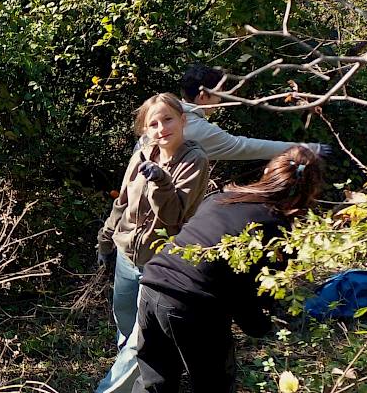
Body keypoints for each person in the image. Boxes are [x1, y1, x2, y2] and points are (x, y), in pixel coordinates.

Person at [133, 145, 323, 392]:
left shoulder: (222, 198)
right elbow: (251, 290)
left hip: (153, 284)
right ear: (310, 192)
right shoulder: (279, 232)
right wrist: (259, 326)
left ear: (267, 171)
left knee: (154, 381)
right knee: (214, 385)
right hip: (193, 304)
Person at [95, 93, 210, 393]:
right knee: (125, 323)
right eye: (153, 123)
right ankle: (136, 379)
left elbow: (173, 216)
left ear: (183, 120)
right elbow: (122, 202)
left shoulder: (194, 160)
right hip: (126, 256)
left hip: (159, 264)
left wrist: (161, 181)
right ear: (146, 130)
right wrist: (105, 240)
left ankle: (109, 389)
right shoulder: (143, 153)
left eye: (168, 119)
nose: (161, 128)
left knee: (139, 338)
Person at [137, 64, 331, 159]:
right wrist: (308, 149)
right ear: (203, 96)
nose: (220, 100)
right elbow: (247, 147)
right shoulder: (195, 127)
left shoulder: (162, 115)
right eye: (218, 94)